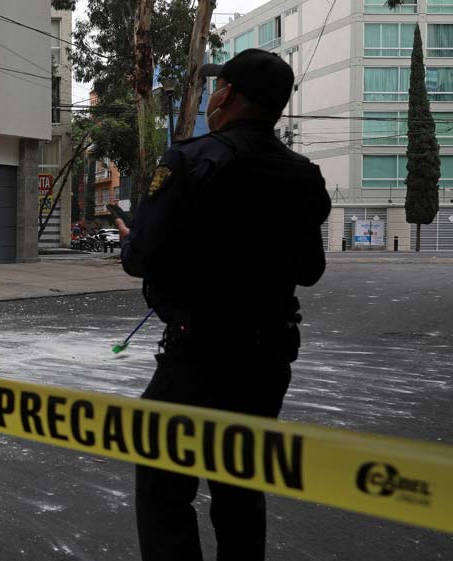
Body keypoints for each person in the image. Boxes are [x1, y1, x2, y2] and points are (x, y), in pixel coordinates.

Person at [118, 49, 331, 561]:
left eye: (217, 88)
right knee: (240, 489)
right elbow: (310, 269)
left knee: (164, 486)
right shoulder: (303, 175)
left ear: (227, 94)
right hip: (266, 360)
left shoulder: (191, 160)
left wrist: (132, 242)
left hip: (198, 355)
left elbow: (141, 258)